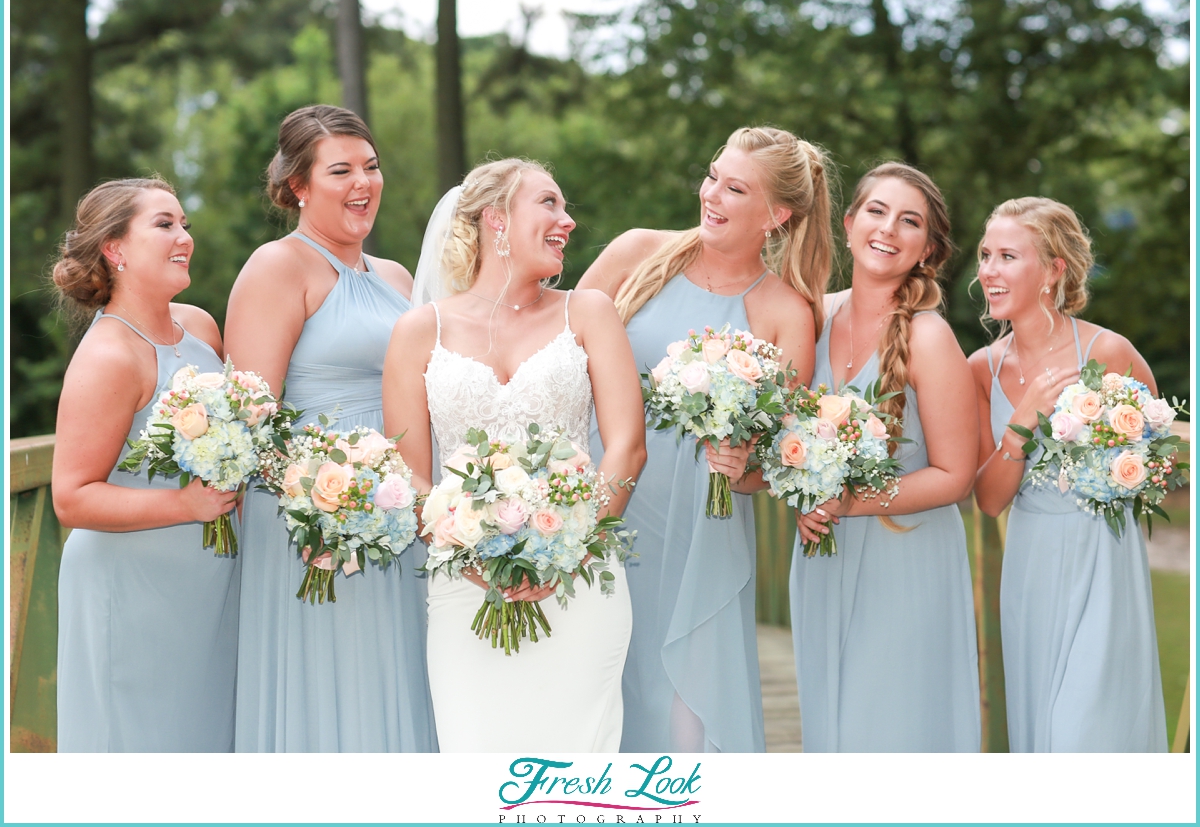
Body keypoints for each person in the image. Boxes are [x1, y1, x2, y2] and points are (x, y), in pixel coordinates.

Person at [577, 126, 832, 752]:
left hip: (699, 530)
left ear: (777, 214)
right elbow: (554, 361)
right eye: (713, 175)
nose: (711, 193)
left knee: (681, 718)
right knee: (591, 695)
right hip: (596, 506)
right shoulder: (638, 254)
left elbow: (770, 468)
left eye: (735, 187)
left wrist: (743, 461)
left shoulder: (786, 313)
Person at [383, 160, 647, 752]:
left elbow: (627, 447)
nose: (568, 221)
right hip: (465, 586)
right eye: (549, 204)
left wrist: (566, 547)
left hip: (581, 576)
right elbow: (410, 475)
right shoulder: (418, 331)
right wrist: (470, 553)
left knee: (578, 764)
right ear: (495, 220)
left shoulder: (589, 312)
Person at [225, 105, 435, 752]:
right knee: (336, 694)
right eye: (339, 169)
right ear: (298, 186)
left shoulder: (397, 278)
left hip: (402, 515)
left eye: (370, 166)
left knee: (402, 679)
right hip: (314, 528)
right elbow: (248, 424)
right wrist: (326, 507)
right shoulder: (277, 268)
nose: (362, 183)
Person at [789, 162, 980, 752]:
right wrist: (793, 488)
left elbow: (956, 476)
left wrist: (846, 502)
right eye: (876, 211)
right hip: (821, 554)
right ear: (848, 224)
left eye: (910, 221)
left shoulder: (928, 337)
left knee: (892, 729)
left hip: (907, 555)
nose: (888, 229)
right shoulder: (810, 317)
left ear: (927, 248)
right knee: (834, 728)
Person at [970, 196, 1168, 752]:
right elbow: (987, 500)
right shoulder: (979, 369)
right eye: (986, 255)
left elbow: (1158, 457)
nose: (989, 270)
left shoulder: (1109, 351)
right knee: (1044, 735)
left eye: (1008, 255)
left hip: (1104, 562)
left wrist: (1112, 469)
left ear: (1054, 270)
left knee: (1087, 732)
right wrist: (1022, 422)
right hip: (1031, 568)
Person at [52, 179, 240, 752]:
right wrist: (182, 504)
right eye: (164, 225)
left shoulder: (201, 328)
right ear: (116, 249)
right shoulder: (109, 355)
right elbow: (71, 497)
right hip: (130, 589)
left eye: (184, 223)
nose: (184, 237)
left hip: (205, 588)